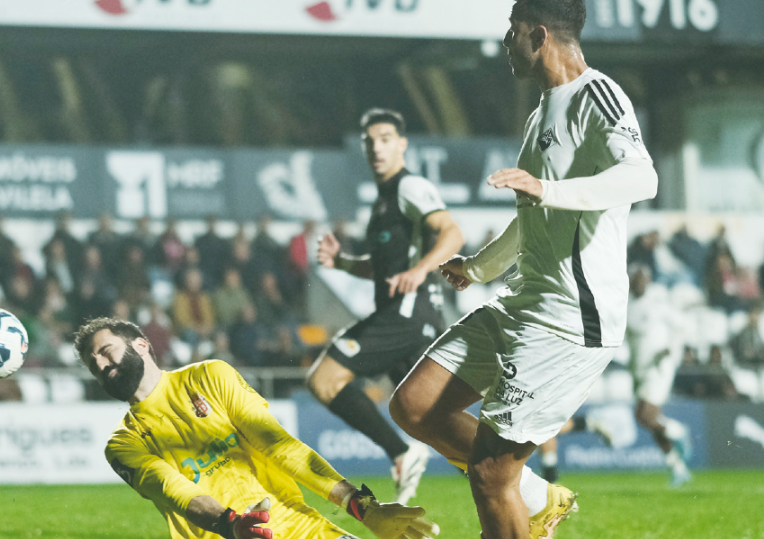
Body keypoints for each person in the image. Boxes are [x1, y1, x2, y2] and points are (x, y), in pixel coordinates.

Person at [388, 2, 658, 538]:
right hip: (521, 303)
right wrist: (479, 267)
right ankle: (538, 497)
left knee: (491, 475)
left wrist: (547, 188)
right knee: (414, 406)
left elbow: (642, 177)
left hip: (569, 320)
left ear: (539, 35)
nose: (505, 42)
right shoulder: (541, 113)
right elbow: (533, 214)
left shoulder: (596, 95)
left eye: (512, 31)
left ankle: (520, 497)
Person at [74, 317, 439, 539]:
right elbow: (178, 493)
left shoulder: (209, 376)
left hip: (302, 527)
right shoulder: (122, 445)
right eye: (93, 365)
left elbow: (278, 445)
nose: (101, 365)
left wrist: (362, 507)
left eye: (105, 351)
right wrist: (232, 525)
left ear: (141, 344)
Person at [310, 108, 466, 504]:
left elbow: (452, 233)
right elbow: (381, 268)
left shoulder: (409, 186)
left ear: (402, 144)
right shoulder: (383, 201)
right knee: (431, 419)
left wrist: (421, 269)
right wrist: (342, 263)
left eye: (385, 139)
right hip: (410, 317)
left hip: (406, 315)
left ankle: (401, 453)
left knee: (325, 379)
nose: (376, 148)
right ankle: (527, 489)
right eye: (370, 142)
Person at [624, 264, 693, 486]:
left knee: (646, 415)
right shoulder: (626, 304)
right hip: (638, 368)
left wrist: (670, 348)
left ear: (648, 280)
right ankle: (678, 468)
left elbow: (682, 326)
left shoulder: (658, 302)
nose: (638, 283)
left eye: (642, 279)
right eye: (635, 279)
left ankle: (679, 431)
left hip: (659, 365)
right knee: (644, 418)